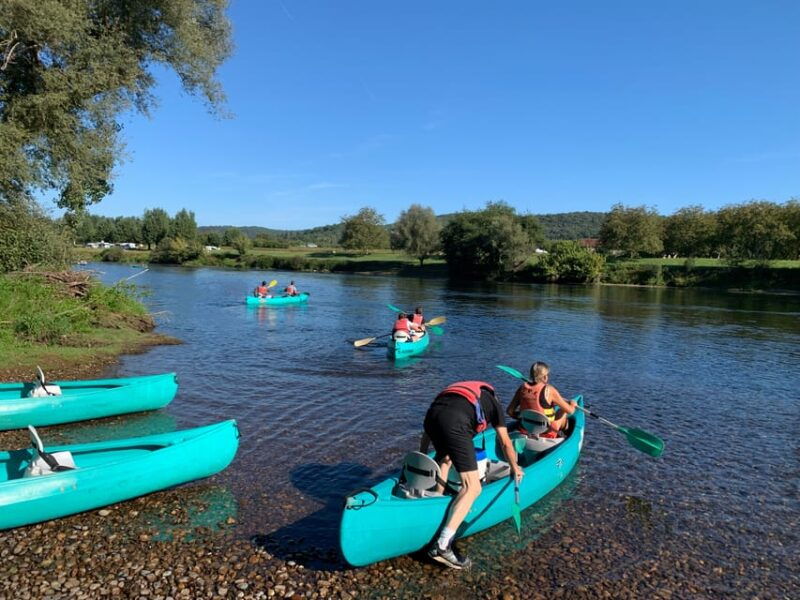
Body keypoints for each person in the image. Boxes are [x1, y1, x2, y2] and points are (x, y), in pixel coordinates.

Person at [419, 381, 523, 569]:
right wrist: (515, 466)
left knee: (445, 459)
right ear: (493, 394)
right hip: (455, 422)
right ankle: (442, 546)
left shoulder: (461, 391)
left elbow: (428, 433)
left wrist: (423, 456)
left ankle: (437, 499)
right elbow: (506, 443)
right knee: (473, 487)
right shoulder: (494, 403)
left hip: (432, 417)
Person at [506, 361, 576, 437]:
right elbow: (570, 411)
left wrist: (522, 417)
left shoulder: (522, 388)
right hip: (546, 432)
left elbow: (509, 411)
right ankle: (566, 436)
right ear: (545, 377)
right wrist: (572, 404)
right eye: (547, 375)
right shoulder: (550, 390)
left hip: (525, 429)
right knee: (562, 411)